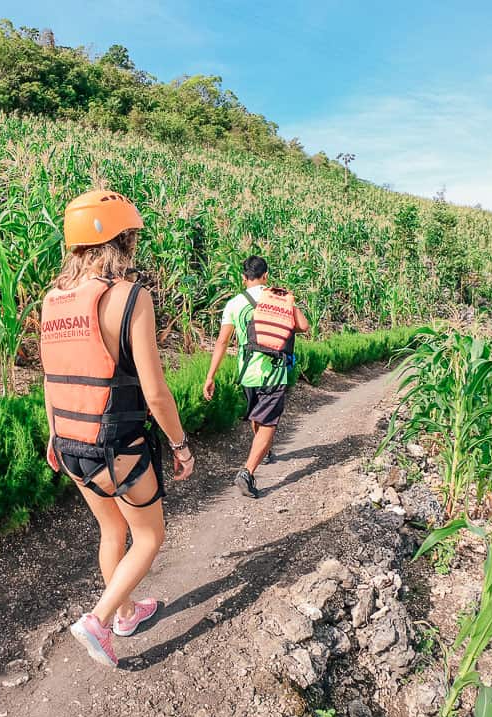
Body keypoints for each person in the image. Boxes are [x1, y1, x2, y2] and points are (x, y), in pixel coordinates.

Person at [41, 189, 195, 668]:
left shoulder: (53, 300)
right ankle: (100, 618)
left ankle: (127, 611)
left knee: (112, 531)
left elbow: (52, 379)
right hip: (116, 446)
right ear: (121, 242)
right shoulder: (131, 297)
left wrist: (52, 436)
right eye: (130, 238)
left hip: (70, 445)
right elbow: (155, 392)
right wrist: (180, 444)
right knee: (148, 537)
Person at [203, 255, 308, 498]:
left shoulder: (233, 303)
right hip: (273, 370)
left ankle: (264, 450)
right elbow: (303, 326)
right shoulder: (279, 299)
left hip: (247, 372)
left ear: (243, 277)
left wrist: (210, 376)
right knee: (269, 422)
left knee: (256, 414)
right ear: (266, 275)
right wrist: (289, 300)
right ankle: (247, 472)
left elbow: (222, 342)